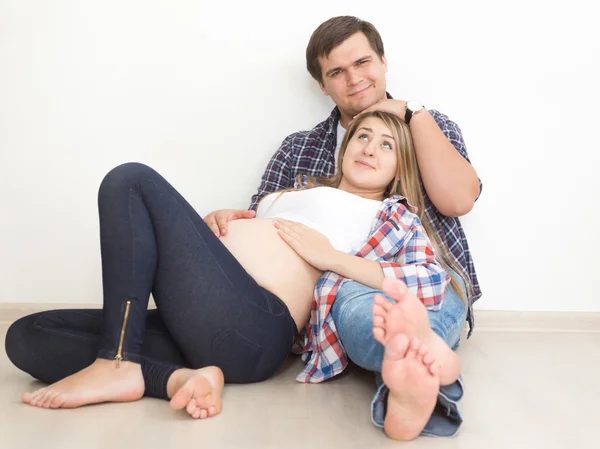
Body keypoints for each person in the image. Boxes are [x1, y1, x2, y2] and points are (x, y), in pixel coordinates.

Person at [4, 112, 454, 429]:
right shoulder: (292, 193)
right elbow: (236, 247)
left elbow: (432, 281)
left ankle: (116, 360)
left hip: (255, 326)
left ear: (400, 167)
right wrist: (209, 227)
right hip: (202, 319)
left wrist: (333, 258)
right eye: (362, 136)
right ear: (344, 147)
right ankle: (177, 378)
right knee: (27, 336)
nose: (370, 148)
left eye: (386, 144)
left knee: (130, 179)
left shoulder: (390, 216)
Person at [204, 16, 482, 439]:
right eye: (336, 72)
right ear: (323, 85)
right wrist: (223, 222)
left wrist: (412, 114)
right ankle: (411, 378)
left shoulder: (430, 126)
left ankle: (419, 368)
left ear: (383, 61)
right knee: (360, 311)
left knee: (410, 311)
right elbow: (262, 225)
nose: (354, 79)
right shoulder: (300, 149)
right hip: (337, 293)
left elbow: (458, 200)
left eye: (363, 62)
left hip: (427, 280)